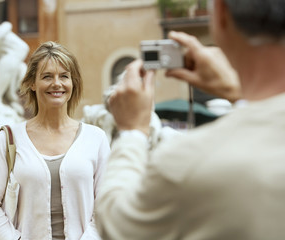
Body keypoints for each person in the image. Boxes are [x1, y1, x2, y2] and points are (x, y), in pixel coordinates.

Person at [95, 0, 285, 239]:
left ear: (222, 14)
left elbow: (117, 223)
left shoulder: (189, 161)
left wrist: (132, 131)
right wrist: (237, 92)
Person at [0, 41, 110, 239]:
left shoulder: (96, 138)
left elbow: (106, 204)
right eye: (47, 76)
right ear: (32, 83)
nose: (57, 83)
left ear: (73, 83)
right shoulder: (9, 139)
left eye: (64, 76)